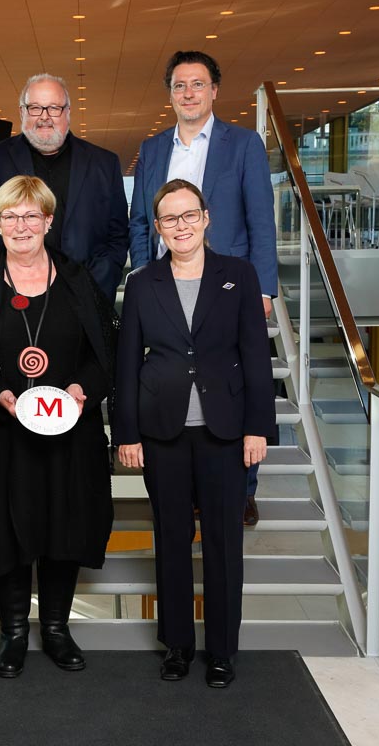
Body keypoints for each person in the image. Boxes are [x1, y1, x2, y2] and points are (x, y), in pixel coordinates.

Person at [0, 175, 116, 679]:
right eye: (10, 216)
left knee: (65, 526)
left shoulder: (78, 281)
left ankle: (56, 628)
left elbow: (108, 349)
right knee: (8, 529)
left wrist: (82, 389)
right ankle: (14, 632)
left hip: (70, 435)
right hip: (3, 435)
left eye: (31, 215)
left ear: (48, 221)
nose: (21, 226)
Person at [114, 179, 275, 689]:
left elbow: (256, 355)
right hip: (162, 432)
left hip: (224, 431)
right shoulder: (142, 282)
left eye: (189, 215)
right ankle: (178, 645)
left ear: (205, 218)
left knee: (225, 543)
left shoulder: (239, 275)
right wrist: (126, 433)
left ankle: (221, 650)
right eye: (169, 219)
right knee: (171, 539)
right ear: (157, 228)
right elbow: (126, 364)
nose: (180, 226)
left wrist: (258, 427)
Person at [128, 51, 280, 525]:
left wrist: (264, 289)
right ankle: (185, 486)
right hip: (165, 284)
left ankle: (242, 488)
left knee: (232, 379)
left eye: (197, 84)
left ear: (214, 91)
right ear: (170, 94)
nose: (188, 93)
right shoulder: (153, 148)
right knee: (174, 380)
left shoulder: (244, 144)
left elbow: (261, 218)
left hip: (227, 285)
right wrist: (143, 276)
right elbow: (140, 220)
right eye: (179, 85)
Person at [0, 73, 129, 297]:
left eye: (54, 108)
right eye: (35, 108)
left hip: (87, 295)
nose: (44, 117)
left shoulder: (104, 163)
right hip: (11, 296)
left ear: (68, 112)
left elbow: (117, 234)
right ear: (22, 112)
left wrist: (98, 284)